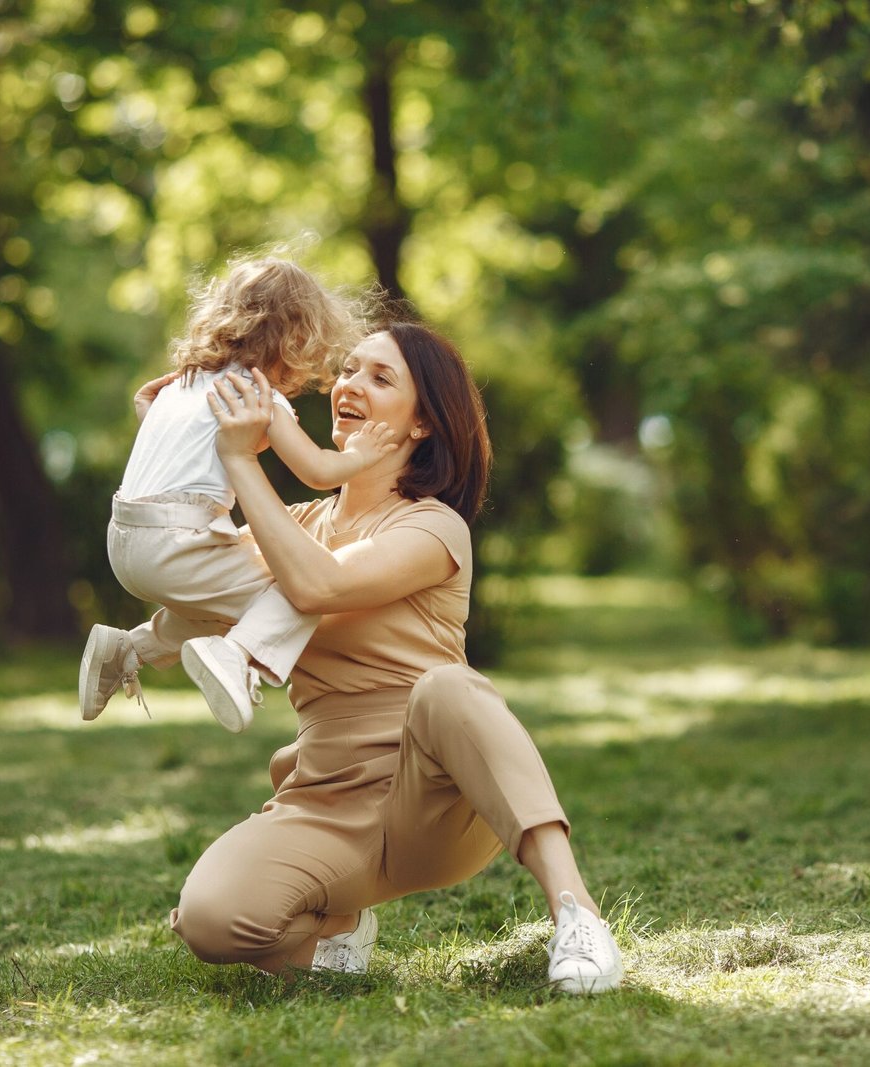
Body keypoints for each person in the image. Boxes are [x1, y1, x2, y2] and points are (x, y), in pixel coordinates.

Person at [166, 322, 625, 993]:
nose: (350, 385)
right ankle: (336, 934)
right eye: (348, 370)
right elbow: (191, 580)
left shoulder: (433, 524)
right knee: (209, 920)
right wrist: (172, 424)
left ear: (422, 424)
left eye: (381, 377)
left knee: (447, 689)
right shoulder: (293, 526)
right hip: (328, 799)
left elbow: (319, 584)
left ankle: (577, 914)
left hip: (434, 798)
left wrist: (242, 462)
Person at [78, 256, 397, 734]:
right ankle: (236, 657)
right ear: (297, 340)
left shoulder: (180, 385)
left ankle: (128, 649)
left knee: (226, 604)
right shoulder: (257, 395)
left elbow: (182, 452)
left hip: (126, 540)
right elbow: (314, 470)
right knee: (298, 591)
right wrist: (361, 454)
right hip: (176, 540)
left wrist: (150, 414)